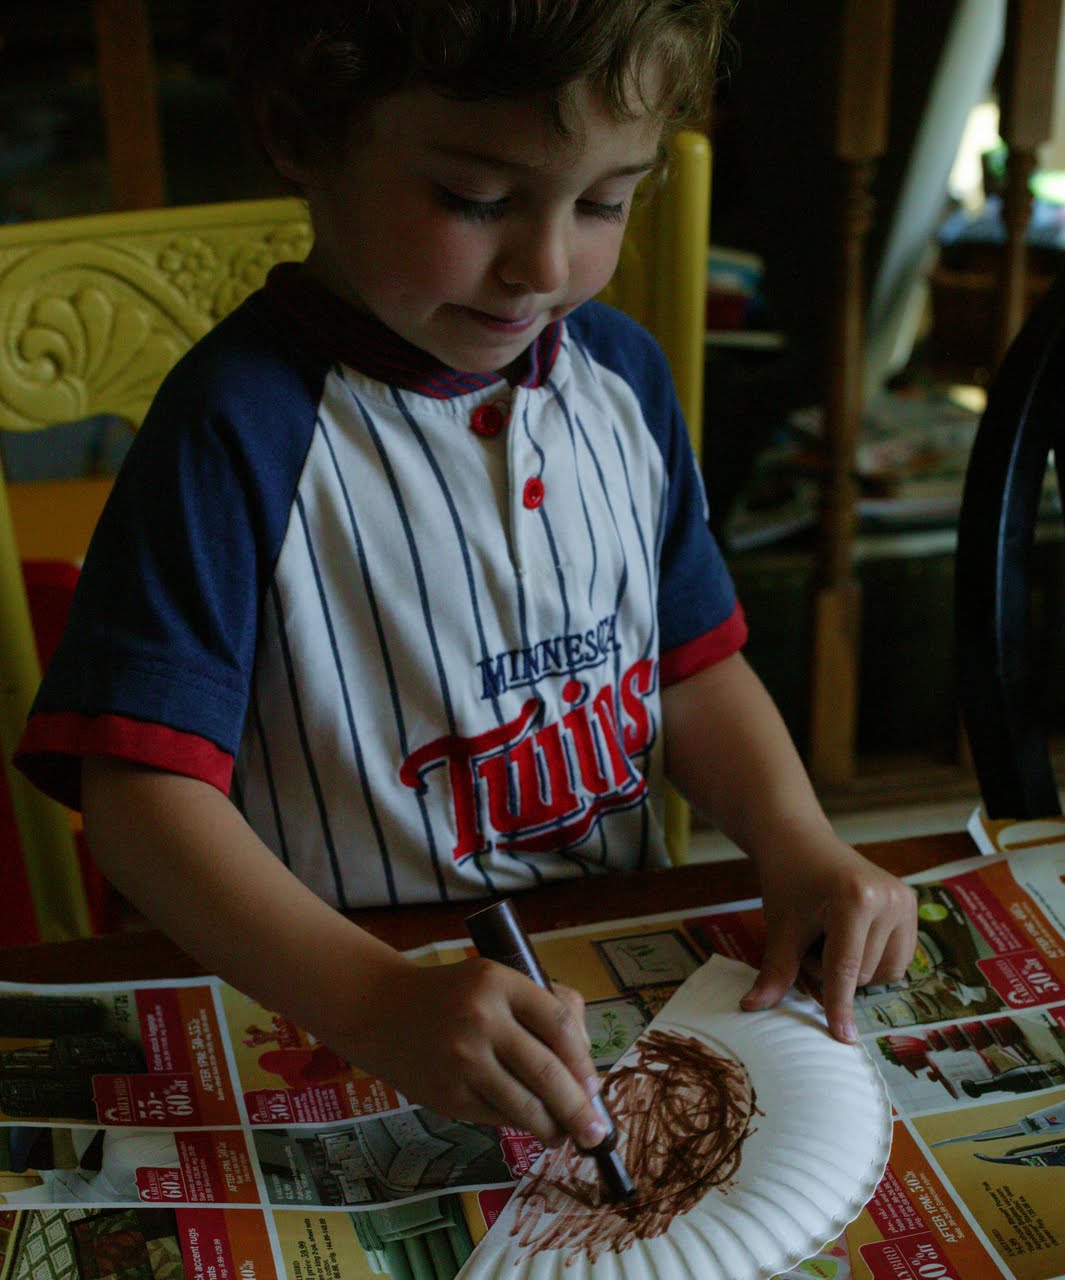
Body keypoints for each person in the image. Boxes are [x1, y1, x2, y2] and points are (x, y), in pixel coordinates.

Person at [16, 0, 916, 1159]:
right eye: (475, 200)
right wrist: (374, 999)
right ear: (300, 132)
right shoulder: (236, 430)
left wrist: (797, 840)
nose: (545, 265)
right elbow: (139, 806)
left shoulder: (623, 380)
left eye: (603, 201)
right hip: (334, 1008)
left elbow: (693, 668)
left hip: (605, 984)